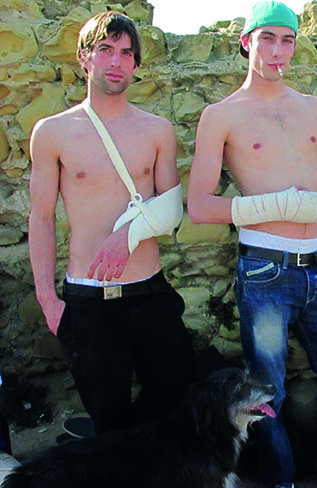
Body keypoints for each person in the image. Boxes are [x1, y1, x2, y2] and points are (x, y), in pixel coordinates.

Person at [187, 3, 317, 488]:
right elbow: (200, 205)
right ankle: (280, 479)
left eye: (288, 40)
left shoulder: (314, 108)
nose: (278, 50)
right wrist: (276, 205)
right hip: (265, 271)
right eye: (268, 38)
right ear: (247, 42)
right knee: (266, 390)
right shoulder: (221, 115)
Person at [27, 11, 196, 436]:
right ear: (85, 57)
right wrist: (48, 300)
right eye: (106, 50)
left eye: (126, 53)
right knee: (109, 420)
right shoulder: (52, 132)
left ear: (136, 64)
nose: (117, 62)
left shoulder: (157, 130)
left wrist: (128, 235)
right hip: (89, 302)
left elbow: (171, 211)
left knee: (177, 401)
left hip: (150, 293)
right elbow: (41, 217)